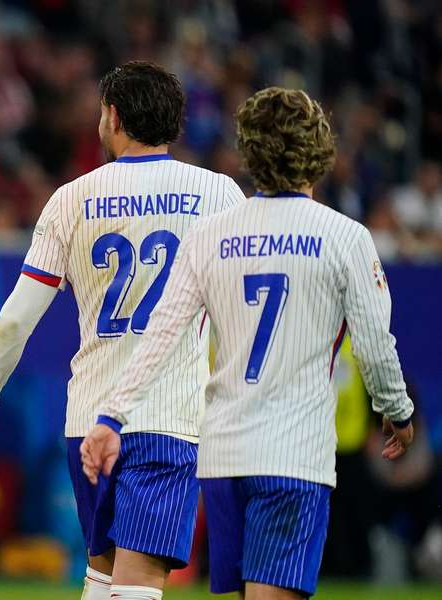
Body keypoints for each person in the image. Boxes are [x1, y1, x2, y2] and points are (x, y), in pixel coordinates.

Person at [81, 87, 415, 599]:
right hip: (294, 456)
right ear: (321, 152)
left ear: (249, 151)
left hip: (224, 458)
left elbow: (161, 336)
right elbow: (373, 344)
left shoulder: (210, 235)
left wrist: (111, 418)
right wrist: (397, 410)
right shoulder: (345, 236)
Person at [0, 61, 245, 600]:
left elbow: (16, 319)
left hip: (89, 417)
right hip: (167, 416)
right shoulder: (219, 195)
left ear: (112, 116)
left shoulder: (71, 199)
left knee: (102, 576)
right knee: (140, 581)